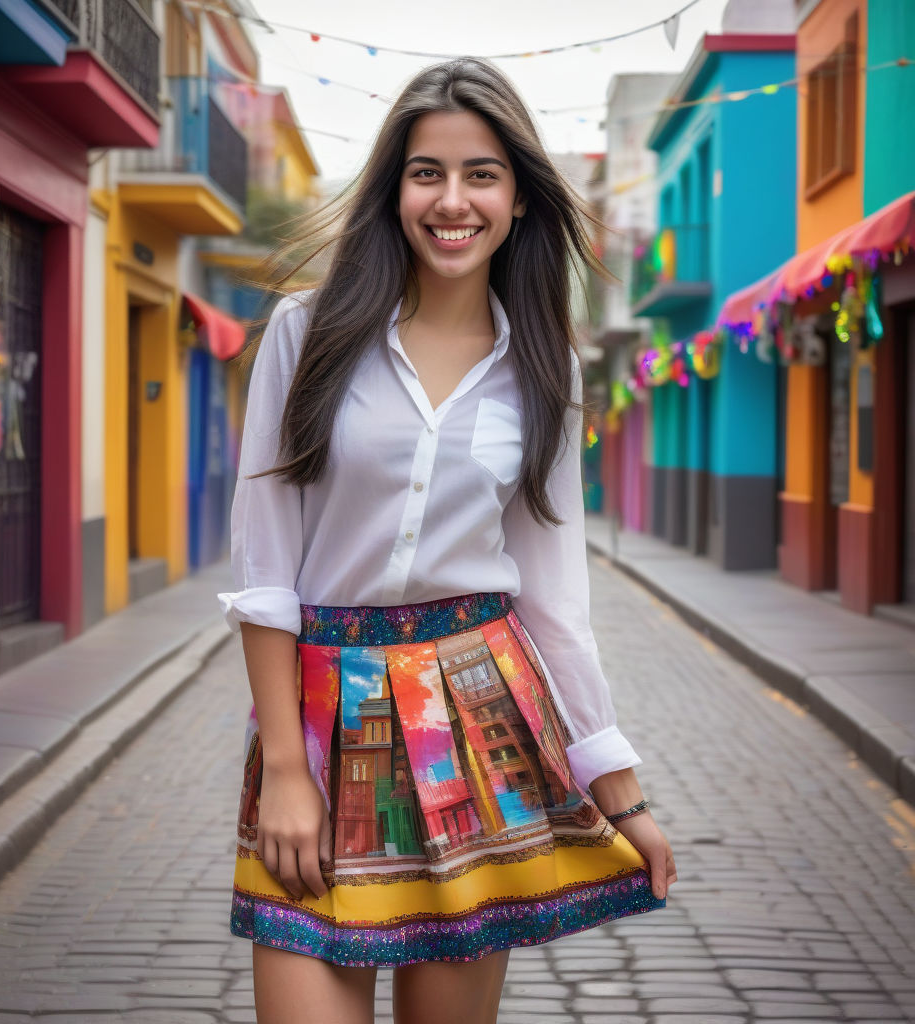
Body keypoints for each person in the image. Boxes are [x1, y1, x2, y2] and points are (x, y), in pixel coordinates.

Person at [218, 56, 677, 1024]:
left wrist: (622, 793)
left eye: (481, 174)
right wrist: (288, 773)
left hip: (477, 716)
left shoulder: (544, 368)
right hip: (321, 719)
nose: (452, 199)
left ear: (517, 198)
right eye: (427, 172)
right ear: (392, 192)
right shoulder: (307, 334)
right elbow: (264, 569)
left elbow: (554, 596)